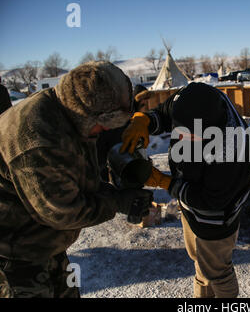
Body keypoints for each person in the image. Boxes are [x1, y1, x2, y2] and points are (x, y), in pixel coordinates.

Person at [0, 61, 153, 298]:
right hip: (15, 257)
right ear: (88, 116)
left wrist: (116, 193)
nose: (102, 132)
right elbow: (62, 211)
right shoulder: (39, 141)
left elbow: (79, 182)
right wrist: (117, 203)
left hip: (45, 247)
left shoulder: (67, 112)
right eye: (102, 126)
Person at [121, 82, 250, 298]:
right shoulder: (188, 97)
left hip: (217, 219)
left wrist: (166, 183)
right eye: (180, 131)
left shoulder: (232, 151)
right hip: (191, 204)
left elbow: (210, 201)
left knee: (218, 271)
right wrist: (145, 120)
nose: (183, 139)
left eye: (193, 135)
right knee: (199, 261)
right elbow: (165, 112)